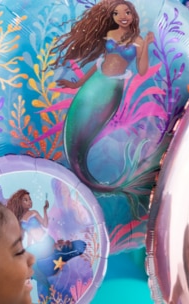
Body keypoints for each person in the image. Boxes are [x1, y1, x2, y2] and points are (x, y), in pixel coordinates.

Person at [54, 0, 155, 190]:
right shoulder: (110, 34)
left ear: (133, 15)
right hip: (94, 83)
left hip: (111, 89)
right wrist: (77, 84)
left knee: (89, 131)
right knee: (75, 128)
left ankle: (92, 180)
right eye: (117, 14)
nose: (122, 17)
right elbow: (100, 62)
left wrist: (147, 46)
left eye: (126, 12)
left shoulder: (139, 41)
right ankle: (79, 173)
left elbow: (142, 71)